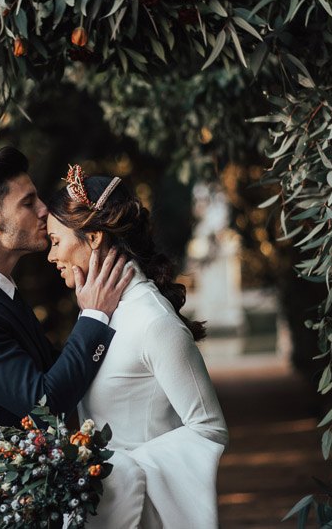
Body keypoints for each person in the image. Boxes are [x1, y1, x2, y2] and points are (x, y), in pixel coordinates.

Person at [0, 148, 134, 529]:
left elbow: (55, 368)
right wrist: (94, 316)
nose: (44, 210)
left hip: (24, 503)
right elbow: (45, 402)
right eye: (28, 202)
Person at [47, 164, 229, 529]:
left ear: (94, 237)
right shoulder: (97, 313)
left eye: (55, 241)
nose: (51, 256)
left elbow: (208, 428)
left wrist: (123, 472)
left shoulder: (154, 322)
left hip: (140, 512)